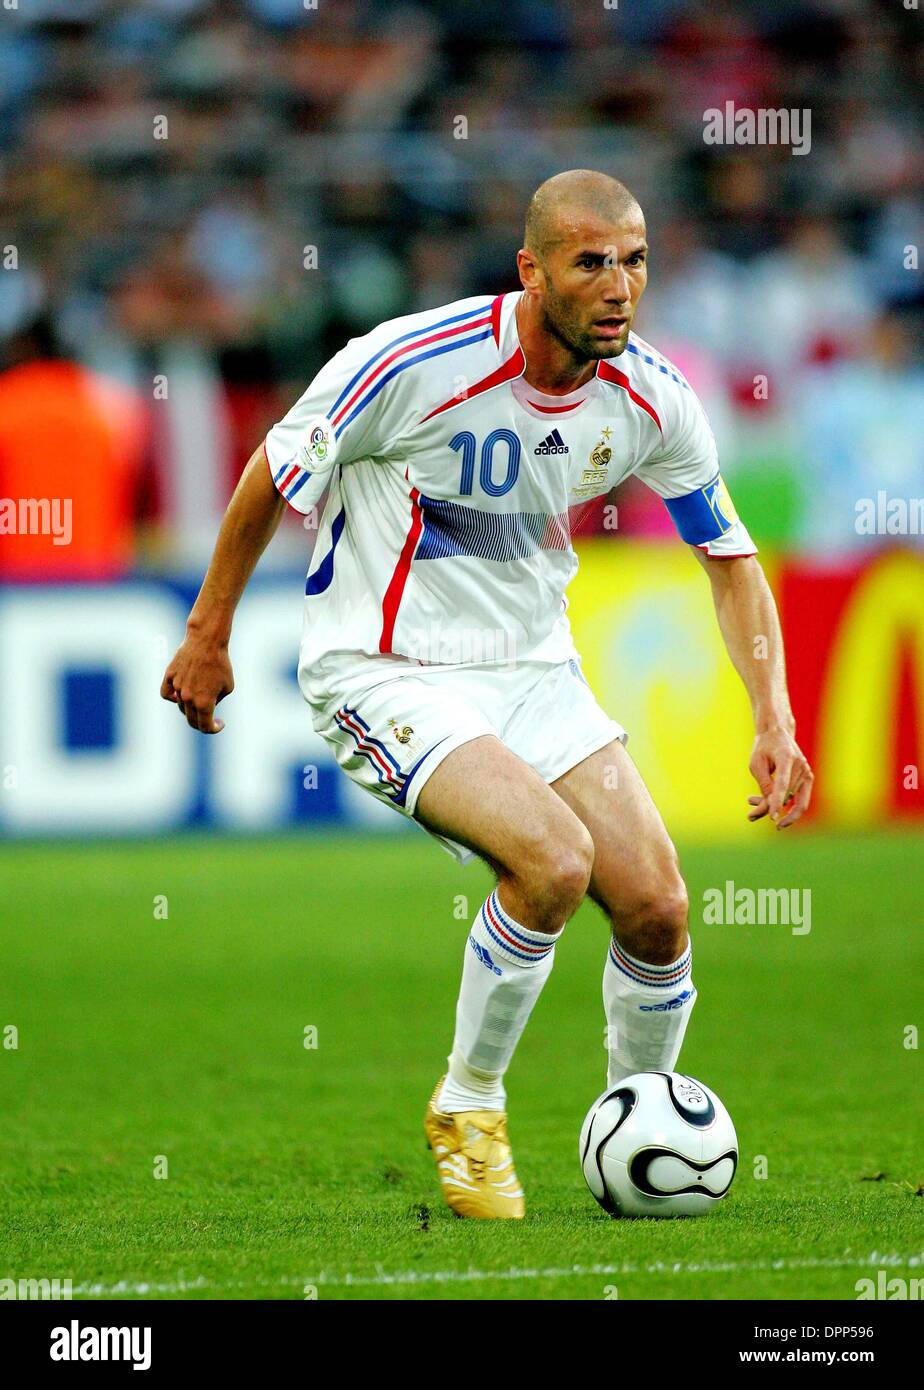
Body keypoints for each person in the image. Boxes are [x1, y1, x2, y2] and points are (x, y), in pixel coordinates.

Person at [161, 170, 813, 1220]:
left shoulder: (651, 396)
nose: (618, 286)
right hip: (386, 668)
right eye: (590, 262)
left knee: (657, 908)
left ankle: (638, 1120)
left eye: (635, 261)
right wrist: (207, 633)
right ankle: (467, 1103)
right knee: (552, 860)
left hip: (534, 672)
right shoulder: (410, 362)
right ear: (532, 270)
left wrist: (773, 714)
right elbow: (272, 473)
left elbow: (729, 558)